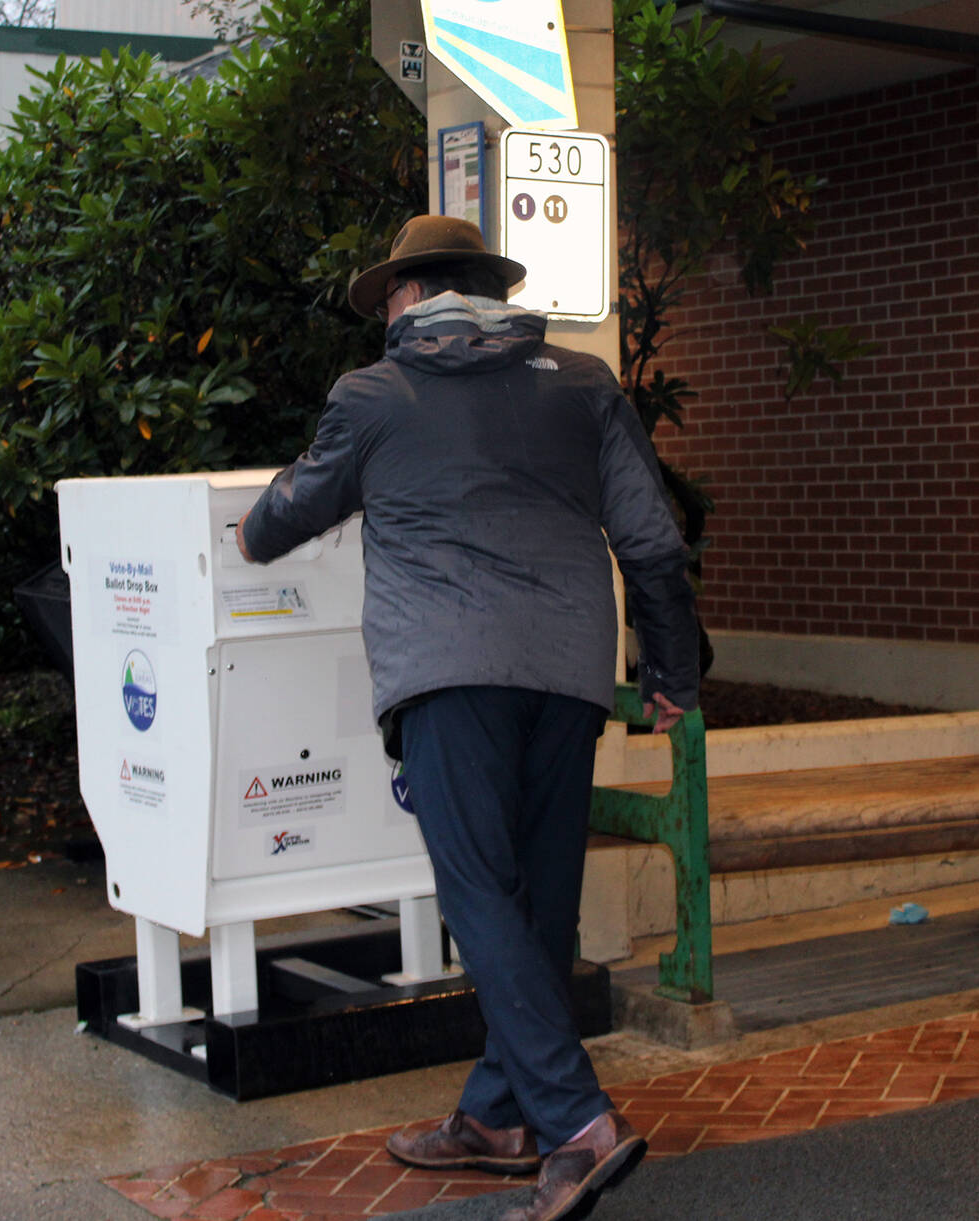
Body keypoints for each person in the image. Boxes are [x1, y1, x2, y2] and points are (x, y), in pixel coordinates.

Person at [236, 215, 700, 1221]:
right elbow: (651, 541)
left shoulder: (372, 396)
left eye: (386, 304)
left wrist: (252, 519)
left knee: (480, 897)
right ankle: (494, 1117)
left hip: (447, 670)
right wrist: (671, 669)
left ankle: (574, 1123)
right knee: (536, 898)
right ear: (486, 290)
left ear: (407, 299)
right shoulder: (582, 385)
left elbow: (284, 519)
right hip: (567, 671)